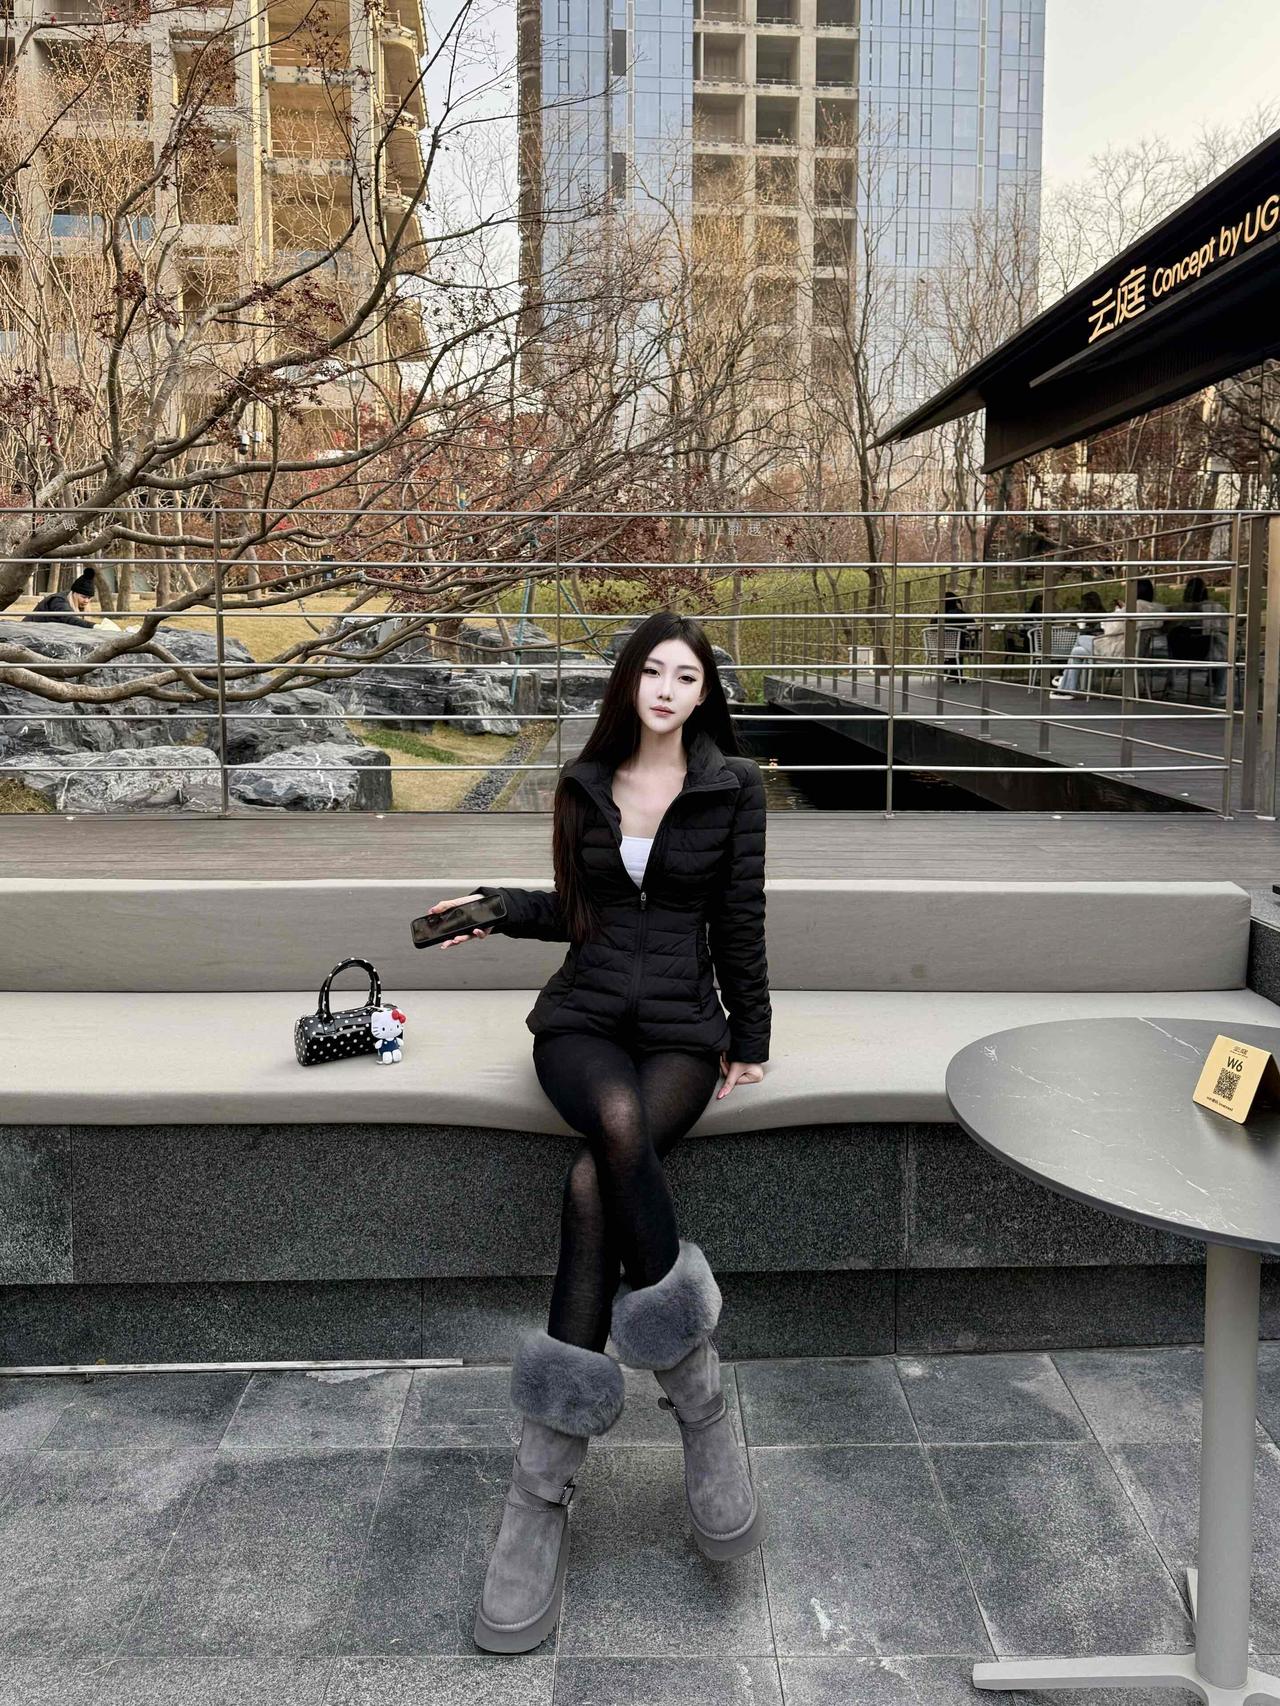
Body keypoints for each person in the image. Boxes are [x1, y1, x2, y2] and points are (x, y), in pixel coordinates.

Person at [426, 610, 771, 1655]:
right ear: (627, 683)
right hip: (581, 1023)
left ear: (704, 694)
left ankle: (541, 1488)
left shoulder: (732, 788)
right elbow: (579, 911)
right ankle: (700, 1406)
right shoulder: (583, 783)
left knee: (593, 1182)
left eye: (686, 675)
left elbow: (739, 919)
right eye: (651, 671)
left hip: (679, 1033)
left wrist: (749, 1036)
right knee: (610, 1125)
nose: (667, 688)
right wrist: (497, 906)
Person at [1049, 589, 1110, 699]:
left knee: (1080, 639)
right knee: (1076, 651)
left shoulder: (1090, 613)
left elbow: (1108, 631)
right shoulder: (1103, 613)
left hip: (1105, 646)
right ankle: (1068, 686)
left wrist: (1081, 627)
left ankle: (1066, 684)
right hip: (1101, 642)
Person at [23, 567, 98, 628]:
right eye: (84, 597)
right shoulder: (58, 601)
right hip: (30, 632)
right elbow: (69, 618)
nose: (86, 601)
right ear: (75, 593)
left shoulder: (77, 603)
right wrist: (94, 626)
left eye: (89, 598)